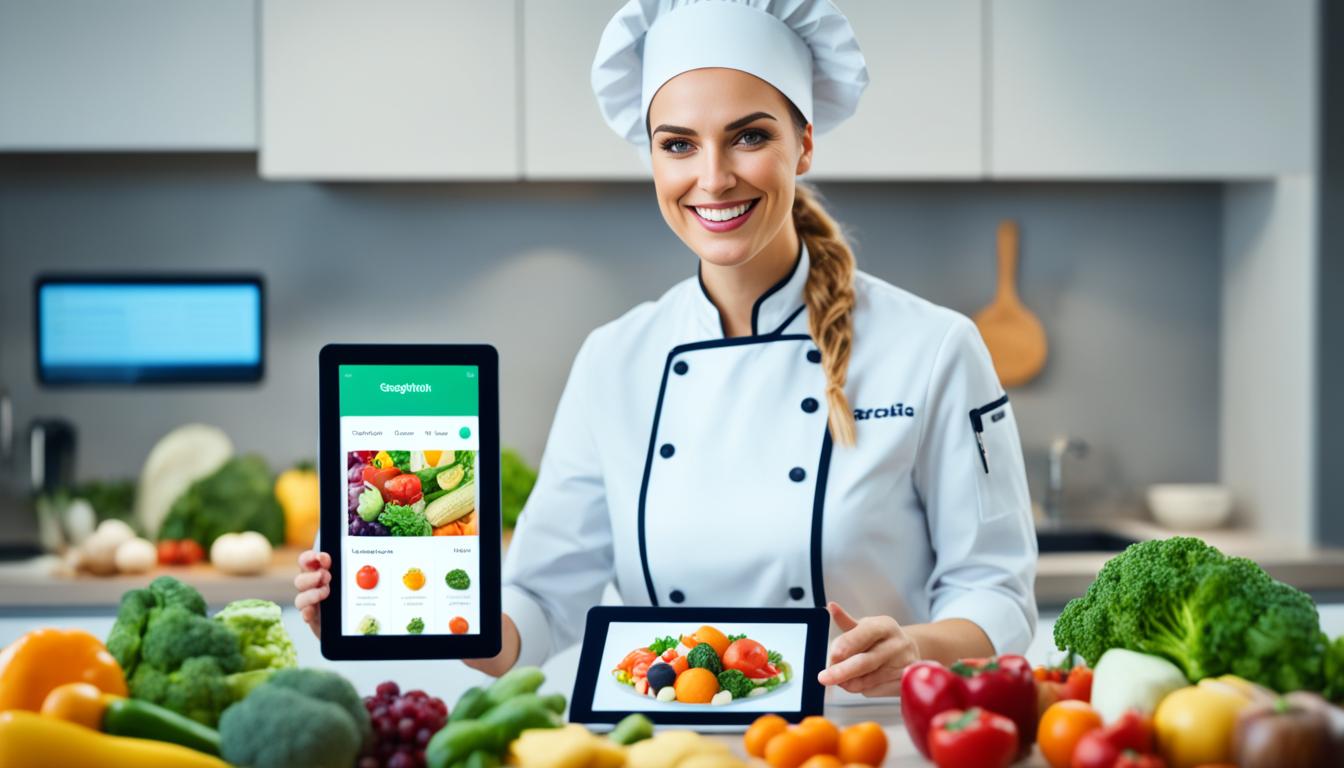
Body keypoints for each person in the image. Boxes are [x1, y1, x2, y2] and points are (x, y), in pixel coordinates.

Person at [297, 0, 1036, 698]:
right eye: (678, 144)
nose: (712, 177)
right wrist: (406, 612)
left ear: (804, 141)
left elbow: (995, 591)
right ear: (652, 157)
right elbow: (543, 604)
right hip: (670, 741)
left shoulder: (933, 347)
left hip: (859, 742)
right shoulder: (614, 359)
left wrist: (917, 647)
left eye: (751, 135)